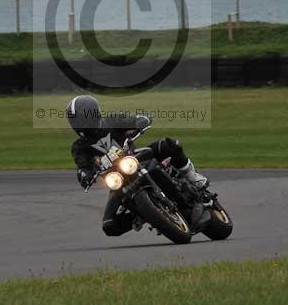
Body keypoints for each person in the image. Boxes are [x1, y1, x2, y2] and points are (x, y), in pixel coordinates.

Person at [67, 94, 207, 236]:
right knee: (109, 225)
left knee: (169, 145)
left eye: (82, 119)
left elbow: (139, 119)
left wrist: (139, 123)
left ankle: (192, 176)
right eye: (75, 120)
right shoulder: (79, 147)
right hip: (118, 181)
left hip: (136, 160)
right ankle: (146, 214)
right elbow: (83, 166)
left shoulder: (113, 120)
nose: (80, 123)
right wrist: (85, 175)